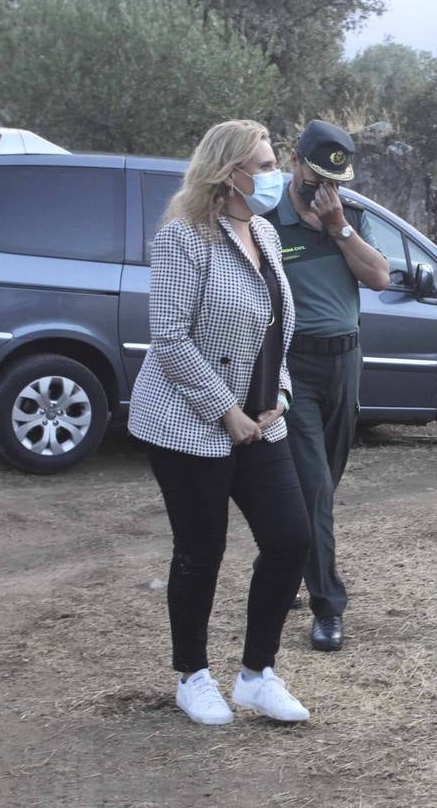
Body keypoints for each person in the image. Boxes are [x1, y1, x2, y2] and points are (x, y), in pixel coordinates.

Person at [129, 119, 312, 725]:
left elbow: (275, 326)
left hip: (263, 421)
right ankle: (192, 676)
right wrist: (224, 411)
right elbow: (170, 337)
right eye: (262, 166)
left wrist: (279, 393)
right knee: (201, 551)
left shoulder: (262, 228)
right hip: (190, 425)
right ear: (227, 172)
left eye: (271, 164)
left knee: (290, 540)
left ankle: (258, 675)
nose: (273, 175)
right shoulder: (185, 236)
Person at [265, 120, 390, 652]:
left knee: (325, 483)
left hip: (346, 363)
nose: (325, 190)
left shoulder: (350, 217)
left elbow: (380, 276)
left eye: (333, 181)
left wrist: (339, 228)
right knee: (315, 487)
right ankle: (327, 608)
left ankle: (289, 562)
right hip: (296, 367)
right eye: (316, 178)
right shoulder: (270, 223)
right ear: (297, 163)